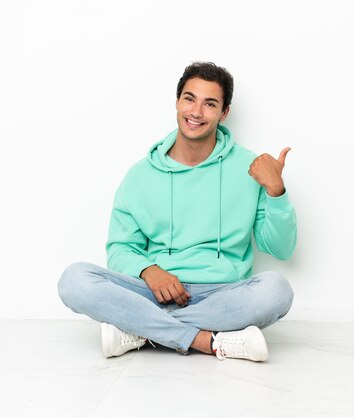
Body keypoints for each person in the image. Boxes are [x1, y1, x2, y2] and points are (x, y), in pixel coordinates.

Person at [58, 62, 296, 362]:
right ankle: (207, 341)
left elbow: (282, 249)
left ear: (224, 113)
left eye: (210, 104)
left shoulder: (252, 168)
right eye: (189, 98)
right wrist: (150, 272)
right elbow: (120, 249)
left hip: (223, 294)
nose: (196, 112)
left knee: (277, 290)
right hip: (153, 293)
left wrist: (277, 192)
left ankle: (143, 332)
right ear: (177, 102)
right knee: (74, 279)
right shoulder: (141, 175)